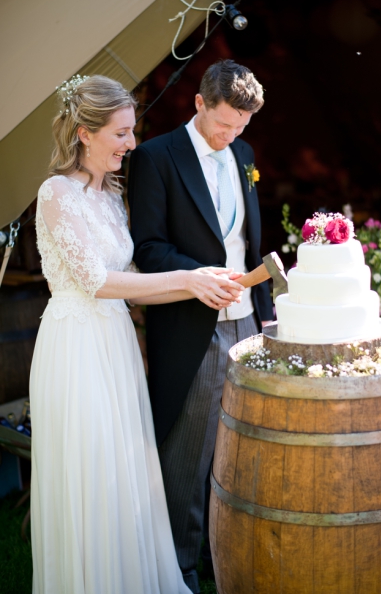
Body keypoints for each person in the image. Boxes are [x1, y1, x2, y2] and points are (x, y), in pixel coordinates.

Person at [30, 75, 245, 593]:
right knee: (90, 473)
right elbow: (97, 281)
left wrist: (201, 286)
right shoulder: (56, 193)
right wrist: (186, 276)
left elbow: (133, 290)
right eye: (121, 134)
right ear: (84, 132)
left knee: (126, 473)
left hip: (118, 344)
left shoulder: (110, 196)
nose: (131, 144)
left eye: (131, 132)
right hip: (76, 347)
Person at [127, 59, 273, 593]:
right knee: (188, 454)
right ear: (198, 104)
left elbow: (247, 242)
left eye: (241, 127)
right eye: (224, 125)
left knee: (237, 448)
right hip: (192, 324)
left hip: (247, 323)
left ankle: (221, 555)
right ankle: (179, 569)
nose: (231, 136)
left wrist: (264, 309)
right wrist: (194, 276)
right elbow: (147, 248)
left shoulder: (246, 155)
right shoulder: (154, 157)